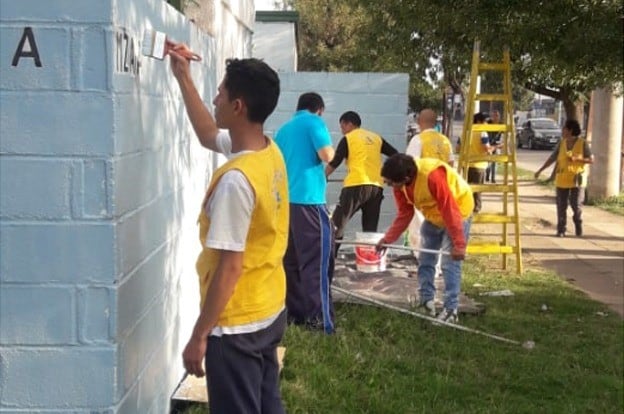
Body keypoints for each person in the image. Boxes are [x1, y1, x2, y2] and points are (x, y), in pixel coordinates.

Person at [170, 48, 288, 414]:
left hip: (236, 327)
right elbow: (208, 134)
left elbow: (230, 268)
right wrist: (182, 76)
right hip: (268, 308)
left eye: (220, 93)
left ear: (237, 106)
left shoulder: (236, 183)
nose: (215, 98)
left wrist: (199, 335)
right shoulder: (267, 151)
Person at [376, 154, 473, 323]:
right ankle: (426, 302)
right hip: (434, 217)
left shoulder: (432, 176)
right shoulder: (401, 186)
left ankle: (451, 310)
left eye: (391, 182)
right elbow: (405, 214)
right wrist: (388, 239)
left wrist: (459, 243)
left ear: (406, 177)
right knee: (425, 259)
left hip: (458, 212)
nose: (389, 185)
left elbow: (449, 209)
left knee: (449, 264)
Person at [274, 92, 336, 334]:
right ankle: (320, 322)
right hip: (310, 202)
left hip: (286, 204)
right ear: (319, 109)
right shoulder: (314, 122)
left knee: (291, 263)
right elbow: (327, 155)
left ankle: (295, 315)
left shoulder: (283, 129)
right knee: (317, 263)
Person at [325, 111, 398, 256]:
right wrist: (390, 176)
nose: (342, 130)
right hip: (376, 188)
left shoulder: (348, 138)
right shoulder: (376, 138)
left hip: (355, 186)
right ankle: (369, 263)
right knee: (370, 229)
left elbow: (335, 161)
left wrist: (323, 177)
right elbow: (395, 155)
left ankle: (329, 259)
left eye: (342, 127)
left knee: (337, 224)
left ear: (349, 124)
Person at [405, 108, 455, 253]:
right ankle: (436, 260)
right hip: (442, 190)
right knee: (438, 226)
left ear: (420, 121)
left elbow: (410, 165)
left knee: (420, 226)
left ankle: (422, 258)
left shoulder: (418, 140)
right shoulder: (444, 140)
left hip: (423, 190)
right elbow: (451, 165)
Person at [534, 119, 593, 237]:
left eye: (564, 128)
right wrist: (540, 170)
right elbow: (552, 158)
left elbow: (591, 160)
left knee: (576, 205)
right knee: (561, 205)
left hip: (577, 180)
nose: (562, 130)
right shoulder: (561, 143)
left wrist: (578, 159)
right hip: (562, 179)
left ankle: (578, 222)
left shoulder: (582, 143)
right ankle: (561, 229)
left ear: (570, 130)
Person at [467, 112, 496, 213]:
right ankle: (476, 210)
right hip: (479, 165)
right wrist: (495, 147)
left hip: (467, 165)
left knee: (468, 190)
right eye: (486, 121)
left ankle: (467, 209)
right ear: (479, 121)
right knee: (478, 190)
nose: (487, 124)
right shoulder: (482, 132)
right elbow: (486, 149)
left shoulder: (467, 131)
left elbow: (458, 147)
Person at [485, 110, 502, 183]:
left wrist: (499, 146)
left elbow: (504, 138)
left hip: (497, 145)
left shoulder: (501, 125)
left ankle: (493, 178)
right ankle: (487, 175)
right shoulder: (488, 123)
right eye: (494, 116)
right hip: (489, 144)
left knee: (494, 162)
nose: (495, 117)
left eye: (497, 116)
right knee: (488, 162)